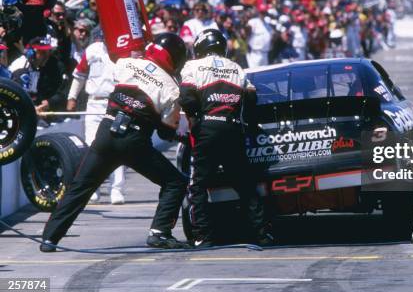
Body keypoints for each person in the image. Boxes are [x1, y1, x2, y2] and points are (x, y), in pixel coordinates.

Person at [39, 33, 190, 252]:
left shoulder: (126, 63)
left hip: (106, 133)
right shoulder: (172, 88)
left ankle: (49, 238)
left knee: (81, 186)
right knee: (175, 183)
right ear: (175, 58)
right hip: (135, 142)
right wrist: (178, 134)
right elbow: (166, 131)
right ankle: (159, 233)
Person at [179, 29, 272, 247]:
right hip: (233, 130)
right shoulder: (237, 68)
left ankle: (203, 236)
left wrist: (196, 118)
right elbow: (250, 98)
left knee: (197, 185)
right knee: (246, 185)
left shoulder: (192, 66)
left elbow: (186, 97)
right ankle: (261, 233)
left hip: (207, 128)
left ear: (200, 47)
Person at [67, 35, 126, 205]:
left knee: (118, 145)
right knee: (91, 146)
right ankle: (92, 189)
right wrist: (72, 97)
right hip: (94, 102)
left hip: (117, 103)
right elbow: (79, 75)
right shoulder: (92, 50)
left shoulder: (124, 52)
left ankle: (117, 189)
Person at [9, 36, 63, 115]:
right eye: (43, 53)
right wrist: (33, 110)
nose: (47, 57)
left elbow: (32, 95)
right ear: (31, 53)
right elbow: (19, 97)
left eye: (48, 53)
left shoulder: (35, 68)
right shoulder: (22, 68)